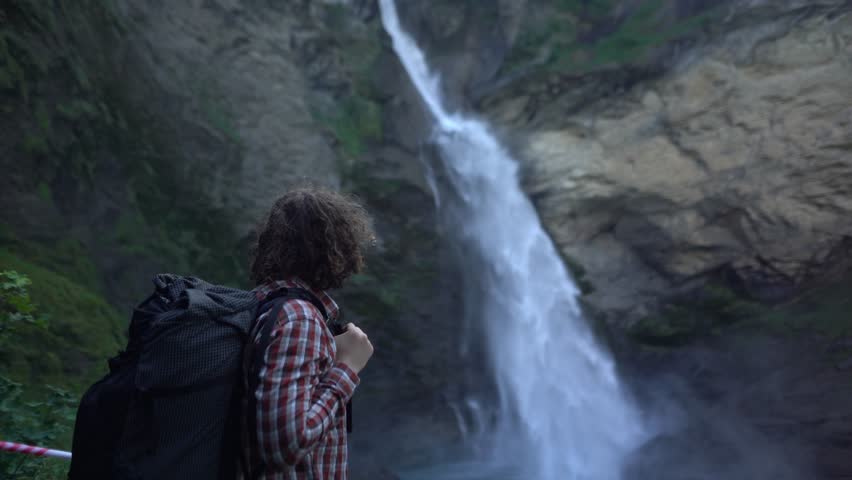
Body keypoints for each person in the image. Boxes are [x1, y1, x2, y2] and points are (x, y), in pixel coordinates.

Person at [244, 187, 376, 480]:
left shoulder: (261, 304)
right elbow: (284, 446)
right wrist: (348, 367)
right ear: (338, 248)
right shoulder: (300, 319)